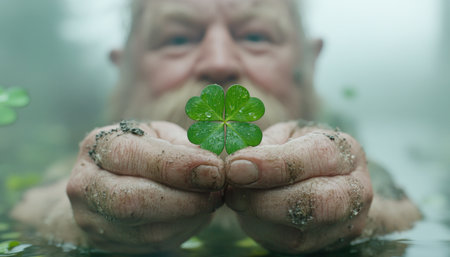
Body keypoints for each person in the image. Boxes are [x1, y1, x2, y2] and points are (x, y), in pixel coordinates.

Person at [11, 0, 422, 255]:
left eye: (256, 35)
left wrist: (365, 219)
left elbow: (393, 203)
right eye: (177, 39)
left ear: (308, 64)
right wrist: (71, 223)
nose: (220, 61)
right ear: (125, 71)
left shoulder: (368, 166)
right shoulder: (66, 168)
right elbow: (39, 201)